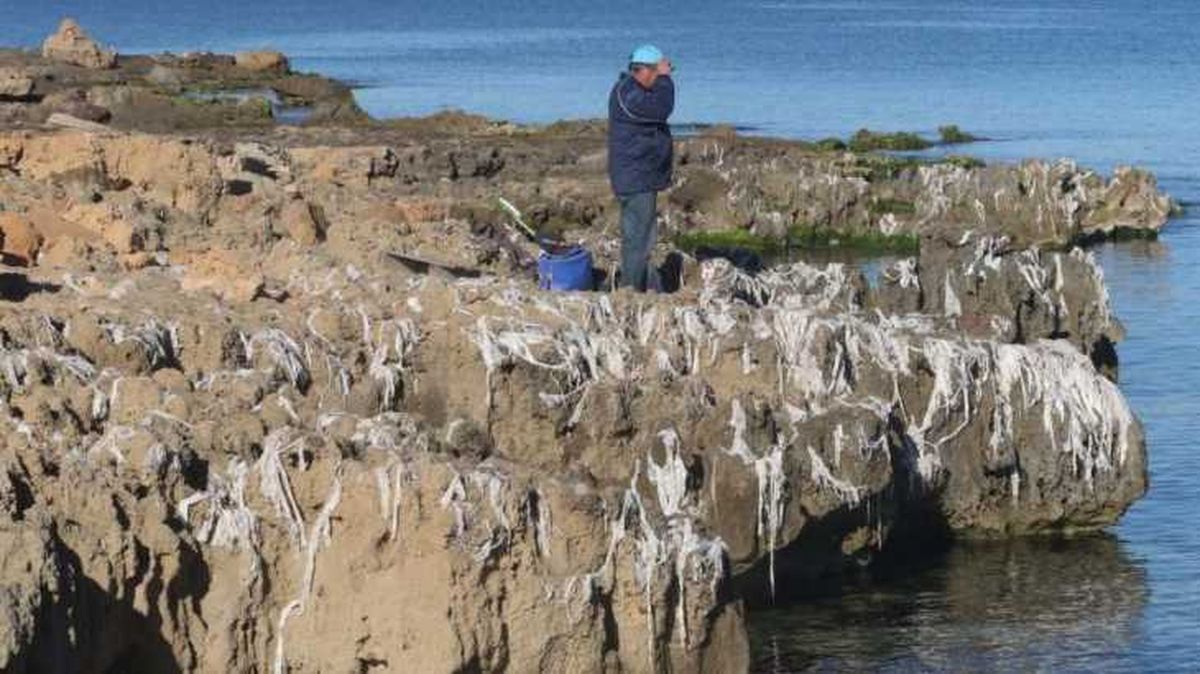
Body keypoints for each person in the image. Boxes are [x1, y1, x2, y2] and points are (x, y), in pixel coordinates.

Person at [608, 44, 674, 292]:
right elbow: (662, 108)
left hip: (637, 177)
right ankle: (631, 291)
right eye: (657, 74)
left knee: (638, 236)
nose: (659, 80)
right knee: (639, 239)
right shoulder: (629, 95)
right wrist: (666, 80)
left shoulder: (630, 91)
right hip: (636, 179)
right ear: (644, 71)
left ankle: (639, 284)